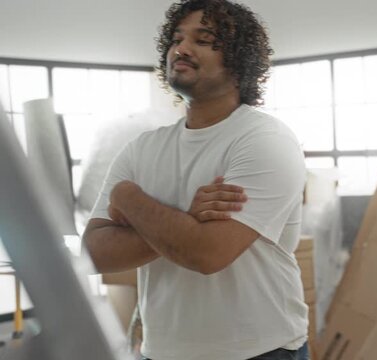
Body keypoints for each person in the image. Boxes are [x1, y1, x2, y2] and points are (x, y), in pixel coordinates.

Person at [82, 0, 309, 359]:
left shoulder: (265, 140)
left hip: (260, 352)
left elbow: (207, 254)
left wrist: (129, 199)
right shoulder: (142, 148)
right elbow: (93, 252)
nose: (181, 49)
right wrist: (186, 221)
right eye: (176, 38)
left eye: (203, 40)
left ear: (239, 62)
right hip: (163, 352)